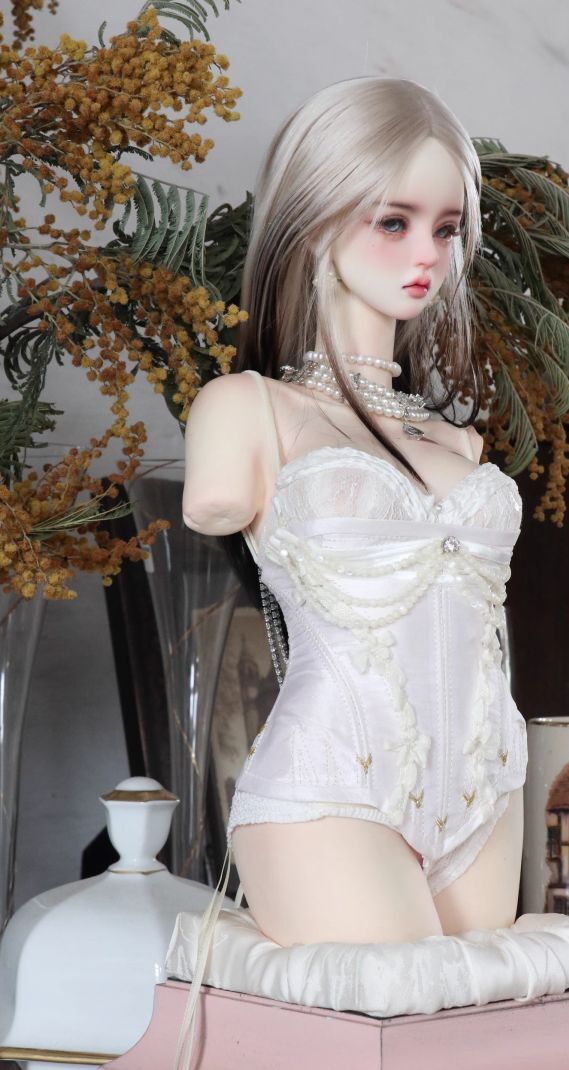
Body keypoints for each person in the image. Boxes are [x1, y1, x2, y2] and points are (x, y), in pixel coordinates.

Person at [182, 77, 528, 948]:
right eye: (393, 221)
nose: (428, 254)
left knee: (482, 1018)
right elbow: (215, 502)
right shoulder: (246, 410)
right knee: (401, 1007)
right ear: (315, 218)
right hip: (331, 787)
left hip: (490, 788)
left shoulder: (461, 443)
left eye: (446, 228)